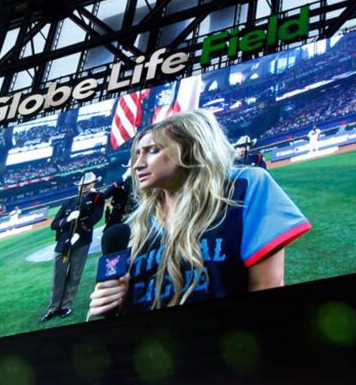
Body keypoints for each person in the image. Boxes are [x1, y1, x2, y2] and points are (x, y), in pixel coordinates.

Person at [88, 109, 311, 317]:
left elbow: (266, 286)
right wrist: (121, 297)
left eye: (153, 151)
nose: (137, 165)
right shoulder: (137, 223)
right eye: (137, 155)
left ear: (192, 148)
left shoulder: (244, 187)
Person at [41, 172, 104, 322]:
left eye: (88, 184)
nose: (85, 187)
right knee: (58, 275)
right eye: (83, 185)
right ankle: (53, 308)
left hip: (81, 241)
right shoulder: (68, 202)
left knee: (75, 274)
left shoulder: (96, 198)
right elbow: (54, 224)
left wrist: (79, 233)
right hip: (63, 243)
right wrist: (67, 219)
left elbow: (95, 217)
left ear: (93, 184)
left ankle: (66, 305)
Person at [102, 167, 135, 231]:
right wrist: (123, 177)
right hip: (116, 214)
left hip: (132, 215)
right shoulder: (121, 181)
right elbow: (105, 195)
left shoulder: (139, 182)